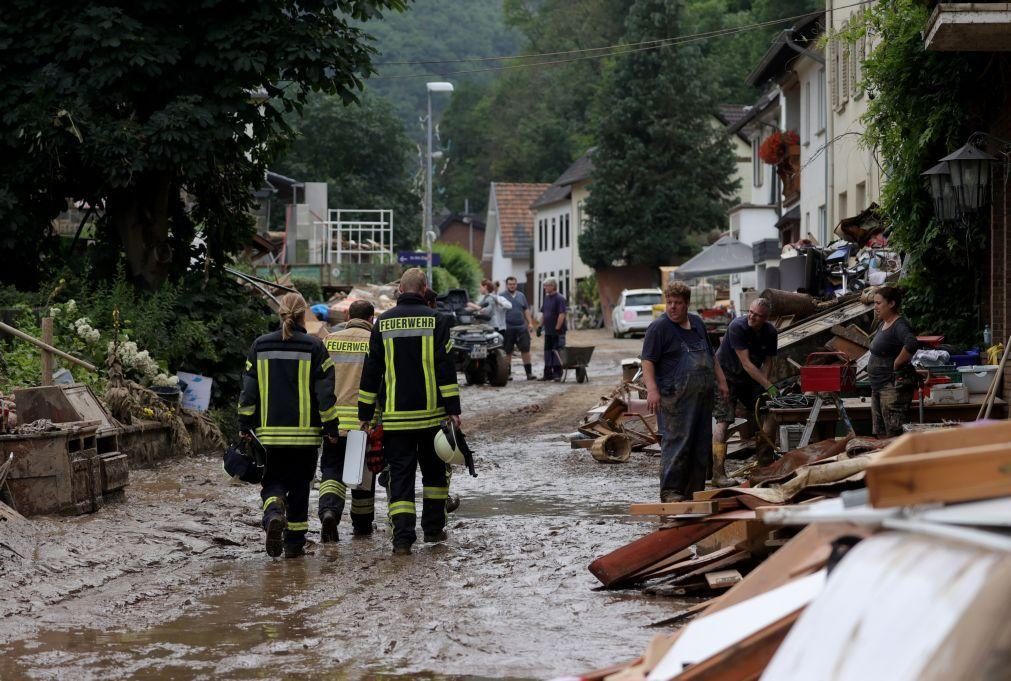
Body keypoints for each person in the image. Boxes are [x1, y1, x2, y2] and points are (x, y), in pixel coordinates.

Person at [359, 268, 461, 556]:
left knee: (400, 478)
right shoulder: (437, 321)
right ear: (425, 287)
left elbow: (371, 373)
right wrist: (453, 410)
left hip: (395, 419)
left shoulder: (383, 323)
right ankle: (432, 530)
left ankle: (402, 539)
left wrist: (365, 413)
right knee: (434, 476)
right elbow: (446, 369)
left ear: (400, 290)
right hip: (432, 418)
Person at [237, 292, 339, 558]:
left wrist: (244, 425)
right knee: (300, 488)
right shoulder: (316, 347)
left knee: (272, 483)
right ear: (304, 313)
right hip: (305, 439)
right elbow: (325, 396)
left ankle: (273, 512)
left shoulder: (259, 346)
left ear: (279, 313)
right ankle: (294, 547)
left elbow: (248, 393)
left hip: (268, 437)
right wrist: (331, 428)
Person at [643, 282, 728, 502]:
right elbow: (648, 362)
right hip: (675, 399)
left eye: (677, 303)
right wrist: (652, 390)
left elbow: (711, 356)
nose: (672, 307)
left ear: (687, 304)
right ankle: (671, 491)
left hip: (702, 396)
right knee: (677, 443)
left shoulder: (698, 323)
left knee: (700, 444)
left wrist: (721, 380)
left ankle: (694, 491)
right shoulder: (658, 328)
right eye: (669, 302)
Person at [318, 300, 377, 542]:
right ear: (371, 318)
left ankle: (330, 511)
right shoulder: (375, 343)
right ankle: (362, 527)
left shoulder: (329, 340)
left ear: (346, 314)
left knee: (331, 470)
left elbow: (319, 383)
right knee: (362, 475)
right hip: (363, 424)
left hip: (332, 421)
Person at [712, 298, 779, 483]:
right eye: (750, 312)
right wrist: (767, 385)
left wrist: (764, 386)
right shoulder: (737, 326)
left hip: (751, 379)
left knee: (769, 412)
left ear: (766, 318)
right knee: (724, 420)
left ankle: (764, 465)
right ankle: (718, 472)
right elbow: (747, 363)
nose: (752, 317)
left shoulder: (770, 332)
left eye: (757, 316)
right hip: (727, 376)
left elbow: (768, 361)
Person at [868, 286, 918, 438]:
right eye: (874, 303)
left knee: (894, 433)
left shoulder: (899, 325)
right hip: (877, 385)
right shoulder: (882, 323)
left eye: (878, 303)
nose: (875, 307)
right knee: (880, 433)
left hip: (891, 388)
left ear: (891, 304)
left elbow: (911, 343)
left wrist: (897, 363)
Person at [501, 276, 536, 380]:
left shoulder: (521, 296)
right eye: (510, 284)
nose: (512, 286)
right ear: (507, 285)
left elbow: (526, 310)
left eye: (514, 284)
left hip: (521, 327)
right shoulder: (501, 296)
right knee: (508, 351)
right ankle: (507, 374)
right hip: (508, 328)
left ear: (516, 285)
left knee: (525, 350)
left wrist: (530, 323)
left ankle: (529, 373)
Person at [539, 278, 568, 381]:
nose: (545, 288)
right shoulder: (546, 298)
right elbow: (544, 314)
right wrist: (539, 326)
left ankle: (557, 374)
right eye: (544, 286)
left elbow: (562, 314)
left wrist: (557, 328)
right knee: (547, 352)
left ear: (553, 286)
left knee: (557, 352)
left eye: (546, 286)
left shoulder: (560, 298)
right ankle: (547, 374)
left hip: (558, 332)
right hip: (548, 331)